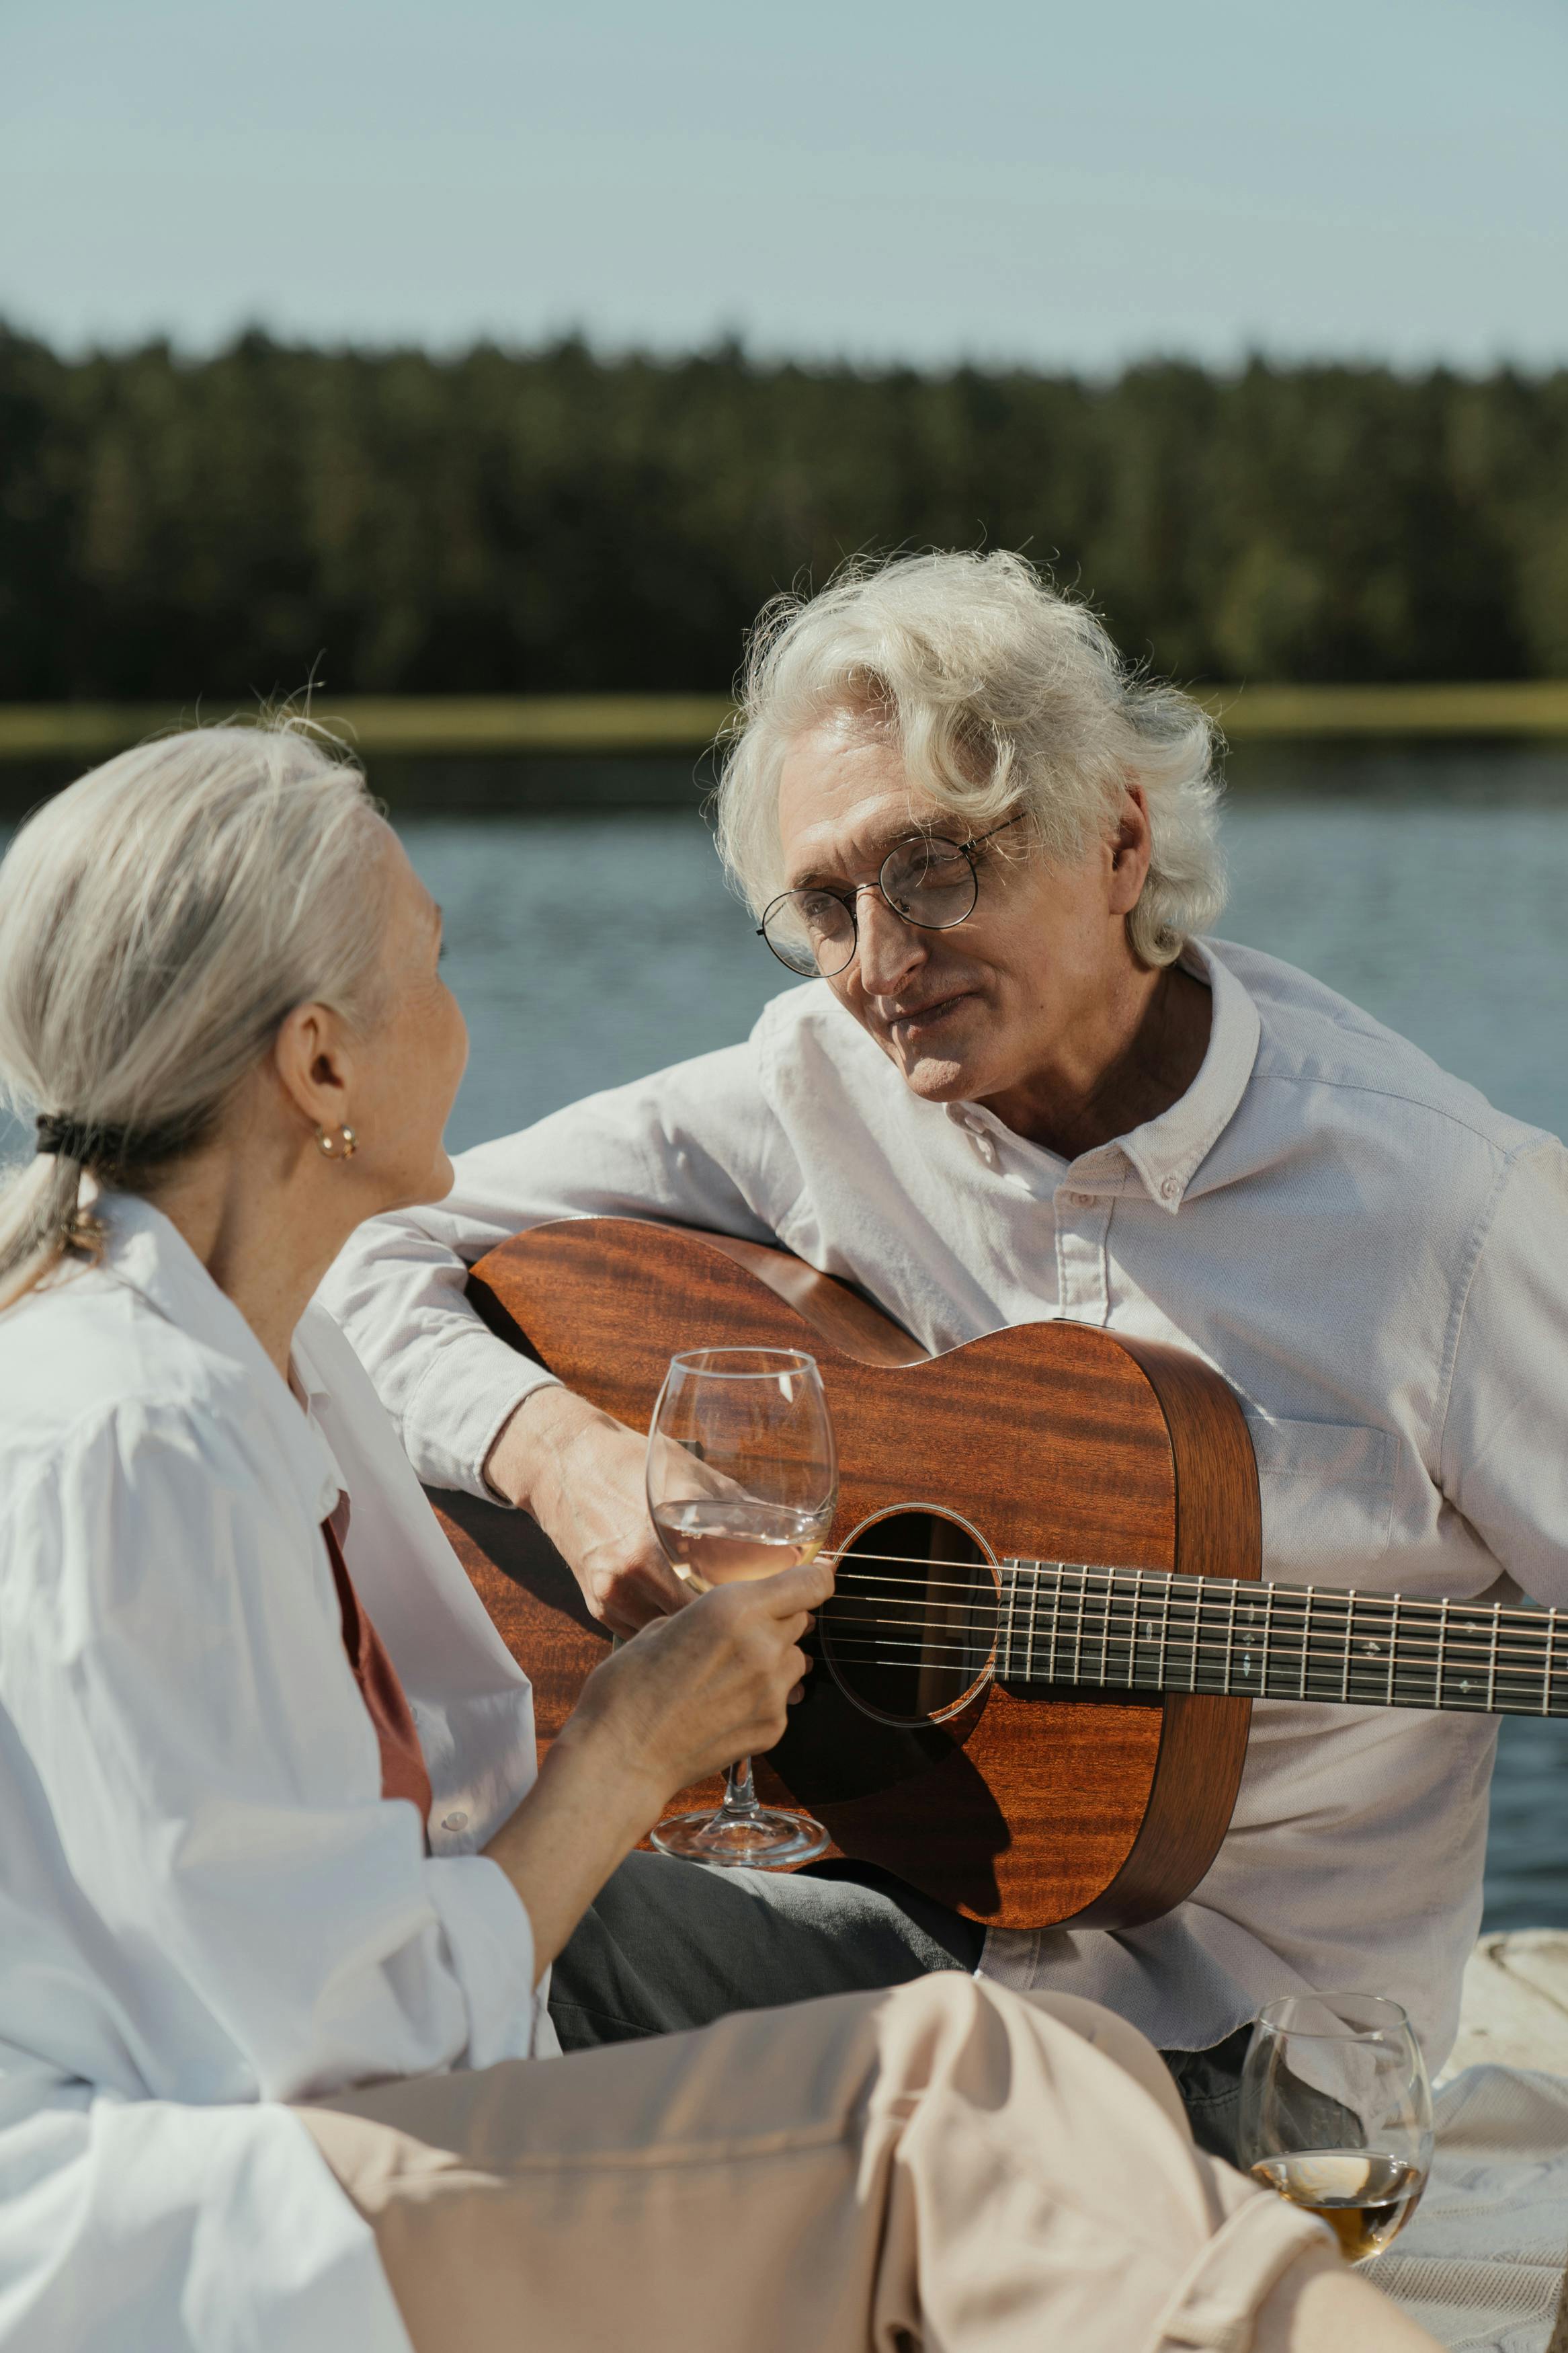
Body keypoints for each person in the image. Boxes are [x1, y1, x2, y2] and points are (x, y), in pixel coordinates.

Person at [0, 722, 1438, 2353]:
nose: (471, 1018)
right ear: (322, 1066)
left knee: (1081, 2073)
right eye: (437, 963)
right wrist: (627, 1748)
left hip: (338, 2139)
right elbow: (352, 2042)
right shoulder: (120, 1434)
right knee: (957, 2100)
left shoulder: (257, 1353)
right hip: (186, 2244)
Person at [323, 548, 1568, 2160]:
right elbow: (363, 1238)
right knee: (427, 1897)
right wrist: (565, 1458)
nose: (879, 962)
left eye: (930, 870)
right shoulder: (817, 1084)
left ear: (1120, 835)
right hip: (860, 1911)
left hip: (1245, 2061)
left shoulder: (1447, 1217)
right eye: (825, 907)